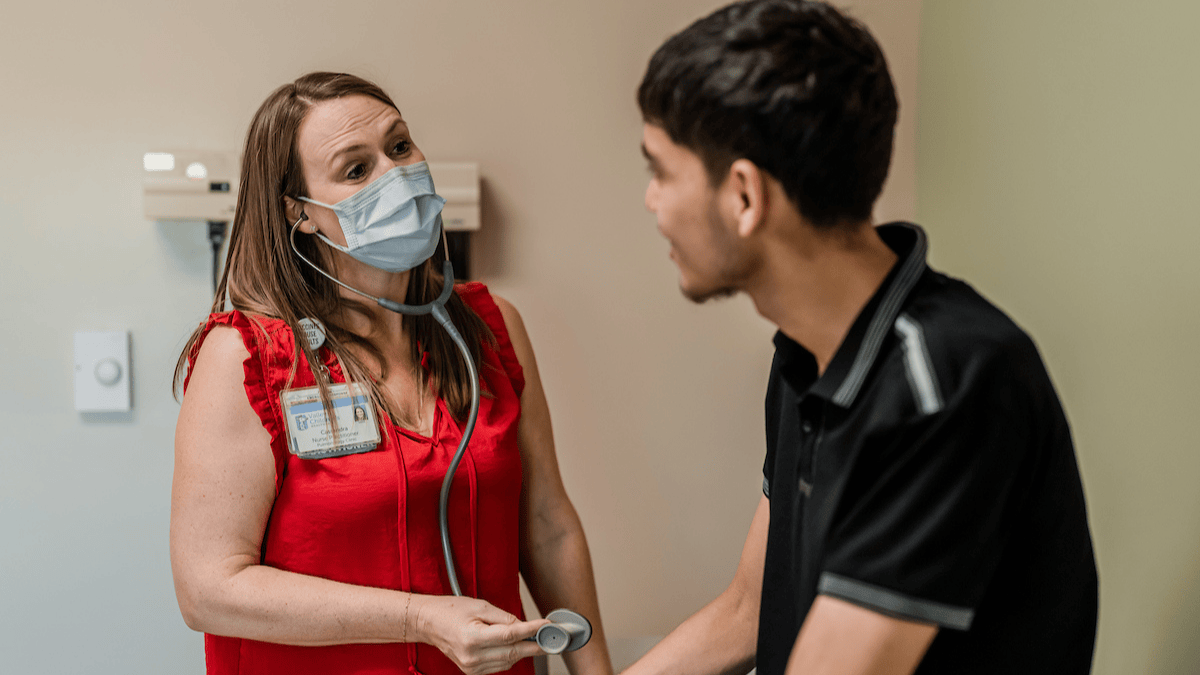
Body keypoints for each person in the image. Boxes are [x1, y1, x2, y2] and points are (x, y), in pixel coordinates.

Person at [625, 2, 1098, 674]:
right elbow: (749, 611)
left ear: (744, 196)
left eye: (661, 172)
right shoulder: (807, 356)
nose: (651, 202)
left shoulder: (947, 385)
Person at [171, 72, 612, 675]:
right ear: (299, 213)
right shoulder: (247, 357)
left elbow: (547, 526)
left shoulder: (489, 326)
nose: (396, 176)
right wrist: (420, 619)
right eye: (356, 170)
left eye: (400, 147)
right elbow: (209, 589)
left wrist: (596, 670)